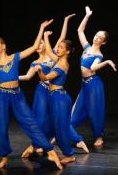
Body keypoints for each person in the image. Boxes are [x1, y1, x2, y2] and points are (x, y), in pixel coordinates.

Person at [0, 19, 63, 170]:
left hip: (17, 95)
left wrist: (41, 28)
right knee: (0, 125)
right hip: (1, 96)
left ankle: (50, 150)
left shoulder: (14, 57)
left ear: (3, 46)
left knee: (29, 121)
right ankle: (4, 157)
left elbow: (34, 47)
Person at [19, 14, 89, 155]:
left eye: (41, 44)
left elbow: (62, 38)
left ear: (46, 45)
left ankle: (74, 140)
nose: (38, 46)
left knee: (57, 120)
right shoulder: (40, 61)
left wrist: (64, 21)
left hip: (54, 92)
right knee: (43, 119)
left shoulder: (55, 57)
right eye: (37, 45)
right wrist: (10, 79)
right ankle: (38, 144)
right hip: (43, 91)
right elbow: (27, 76)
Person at [69, 6, 117, 149]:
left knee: (95, 111)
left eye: (100, 37)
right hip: (85, 84)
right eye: (96, 35)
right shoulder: (86, 47)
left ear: (104, 42)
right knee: (76, 110)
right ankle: (66, 132)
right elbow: (80, 30)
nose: (96, 37)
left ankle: (99, 137)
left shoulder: (99, 55)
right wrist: (87, 16)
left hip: (94, 84)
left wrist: (107, 62)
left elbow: (93, 68)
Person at [34, 29, 76, 164]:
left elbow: (45, 78)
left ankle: (69, 155)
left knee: (60, 127)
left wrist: (39, 70)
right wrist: (46, 36)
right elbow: (48, 52)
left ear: (67, 51)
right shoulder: (58, 59)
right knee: (49, 124)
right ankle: (39, 145)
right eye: (58, 46)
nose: (57, 49)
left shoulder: (62, 64)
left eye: (61, 47)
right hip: (55, 97)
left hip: (60, 99)